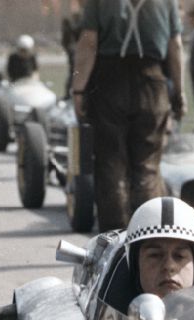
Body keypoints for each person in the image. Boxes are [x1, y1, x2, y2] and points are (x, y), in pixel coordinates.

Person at [71, 0, 186, 233]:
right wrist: (179, 92)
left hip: (109, 81)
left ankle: (114, 238)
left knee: (110, 165)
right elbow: (175, 46)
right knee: (148, 167)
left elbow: (89, 42)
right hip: (152, 81)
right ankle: (148, 237)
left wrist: (79, 89)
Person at [61, 4, 84, 97]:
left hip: (77, 50)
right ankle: (68, 95)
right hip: (74, 51)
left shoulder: (75, 22)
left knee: (74, 74)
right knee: (73, 73)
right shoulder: (70, 23)